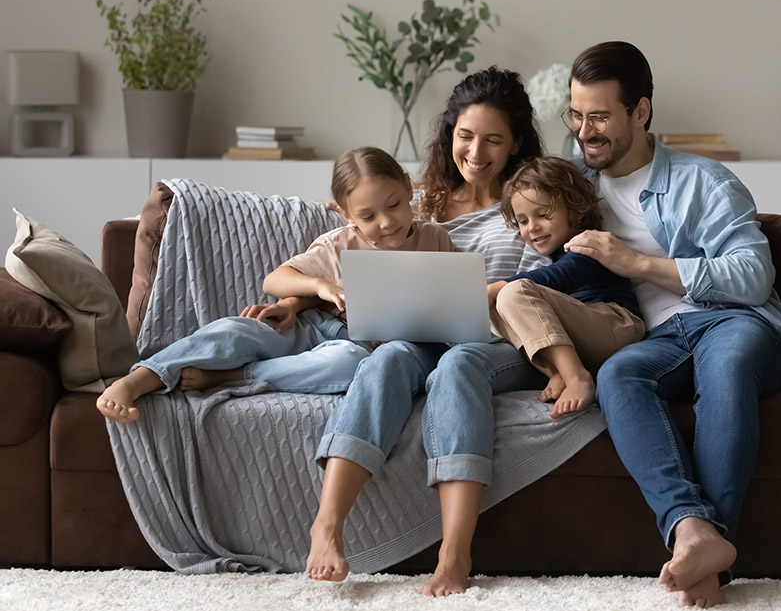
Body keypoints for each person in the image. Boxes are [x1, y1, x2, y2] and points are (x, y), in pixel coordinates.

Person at [562, 42, 781, 608]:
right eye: (575, 116)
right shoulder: (573, 188)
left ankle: (710, 551)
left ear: (642, 112)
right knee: (619, 378)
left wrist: (639, 264)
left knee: (724, 365)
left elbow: (753, 274)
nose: (585, 131)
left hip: (734, 321)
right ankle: (693, 532)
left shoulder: (705, 180)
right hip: (659, 341)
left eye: (599, 116)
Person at [305, 66, 547, 597]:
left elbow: (544, 285)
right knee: (387, 359)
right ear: (449, 135)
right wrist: (299, 294)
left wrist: (483, 291)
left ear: (517, 144)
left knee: (459, 364)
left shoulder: (531, 202)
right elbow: (359, 230)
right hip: (418, 333)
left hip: (498, 340)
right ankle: (327, 524)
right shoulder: (424, 201)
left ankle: (454, 552)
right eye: (465, 136)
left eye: (493, 139)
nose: (476, 151)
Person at [95, 147, 454, 425]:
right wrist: (321, 286)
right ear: (347, 214)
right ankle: (140, 379)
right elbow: (275, 280)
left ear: (408, 187)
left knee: (349, 364)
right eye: (368, 216)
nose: (387, 222)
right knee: (238, 330)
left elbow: (450, 300)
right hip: (318, 326)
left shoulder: (436, 239)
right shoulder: (341, 243)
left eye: (393, 205)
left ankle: (234, 376)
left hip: (360, 348)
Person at [488, 155, 645, 417]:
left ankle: (577, 379)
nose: (532, 227)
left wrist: (500, 285)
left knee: (512, 292)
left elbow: (562, 277)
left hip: (617, 326)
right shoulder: (558, 250)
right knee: (496, 307)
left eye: (542, 214)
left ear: (575, 209)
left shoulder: (591, 243)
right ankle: (557, 372)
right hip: (583, 338)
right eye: (523, 221)